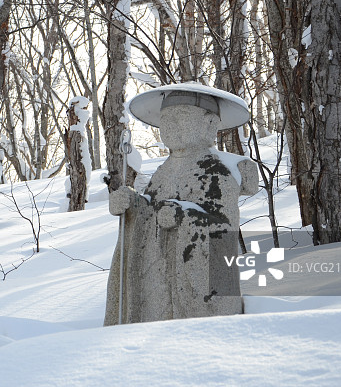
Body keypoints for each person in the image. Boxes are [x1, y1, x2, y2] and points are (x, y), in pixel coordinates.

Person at [104, 84, 258, 325]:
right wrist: (131, 204)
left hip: (190, 288)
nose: (171, 126)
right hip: (156, 278)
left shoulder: (217, 172)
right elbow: (149, 213)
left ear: (210, 125)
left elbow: (223, 230)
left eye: (182, 117)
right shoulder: (162, 173)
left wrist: (184, 217)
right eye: (165, 119)